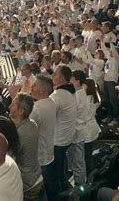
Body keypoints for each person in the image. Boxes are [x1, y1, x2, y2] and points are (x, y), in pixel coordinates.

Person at [46, 65, 77, 198]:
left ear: (63, 78)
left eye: (56, 74)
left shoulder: (58, 95)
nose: (53, 76)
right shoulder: (70, 91)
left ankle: (58, 196)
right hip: (66, 138)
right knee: (60, 169)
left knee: (53, 173)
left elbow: (46, 115)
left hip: (57, 140)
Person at [9, 92, 43, 200]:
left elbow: (9, 158)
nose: (9, 106)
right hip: (36, 176)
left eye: (13, 104)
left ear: (21, 111)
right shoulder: (32, 123)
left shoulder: (21, 133)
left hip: (28, 183)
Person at [29, 75, 56, 200]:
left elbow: (23, 129)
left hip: (39, 157)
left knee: (40, 192)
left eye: (34, 85)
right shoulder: (51, 103)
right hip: (48, 153)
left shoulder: (37, 108)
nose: (31, 87)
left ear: (41, 90)